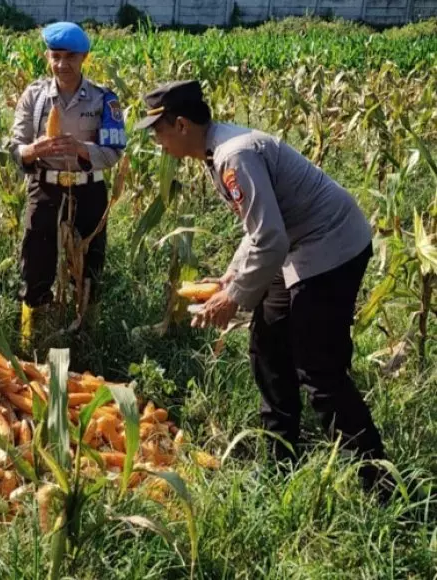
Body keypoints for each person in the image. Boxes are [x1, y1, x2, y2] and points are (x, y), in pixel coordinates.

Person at [135, 79, 391, 495]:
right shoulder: (217, 148)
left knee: (318, 370)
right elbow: (258, 228)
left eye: (158, 130)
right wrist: (232, 277)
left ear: (181, 125)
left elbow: (270, 237)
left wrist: (233, 298)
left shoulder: (234, 157)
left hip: (330, 247)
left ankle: (379, 483)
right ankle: (279, 456)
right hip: (296, 244)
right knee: (268, 345)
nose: (158, 141)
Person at [9, 22, 127, 345]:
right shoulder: (34, 96)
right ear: (48, 56)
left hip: (88, 187)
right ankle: (32, 333)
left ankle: (87, 328)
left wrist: (81, 149)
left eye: (70, 57)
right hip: (45, 185)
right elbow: (15, 147)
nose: (62, 64)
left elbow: (115, 150)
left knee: (91, 259)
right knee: (36, 257)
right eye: (56, 56)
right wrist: (32, 150)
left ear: (85, 56)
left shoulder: (104, 99)